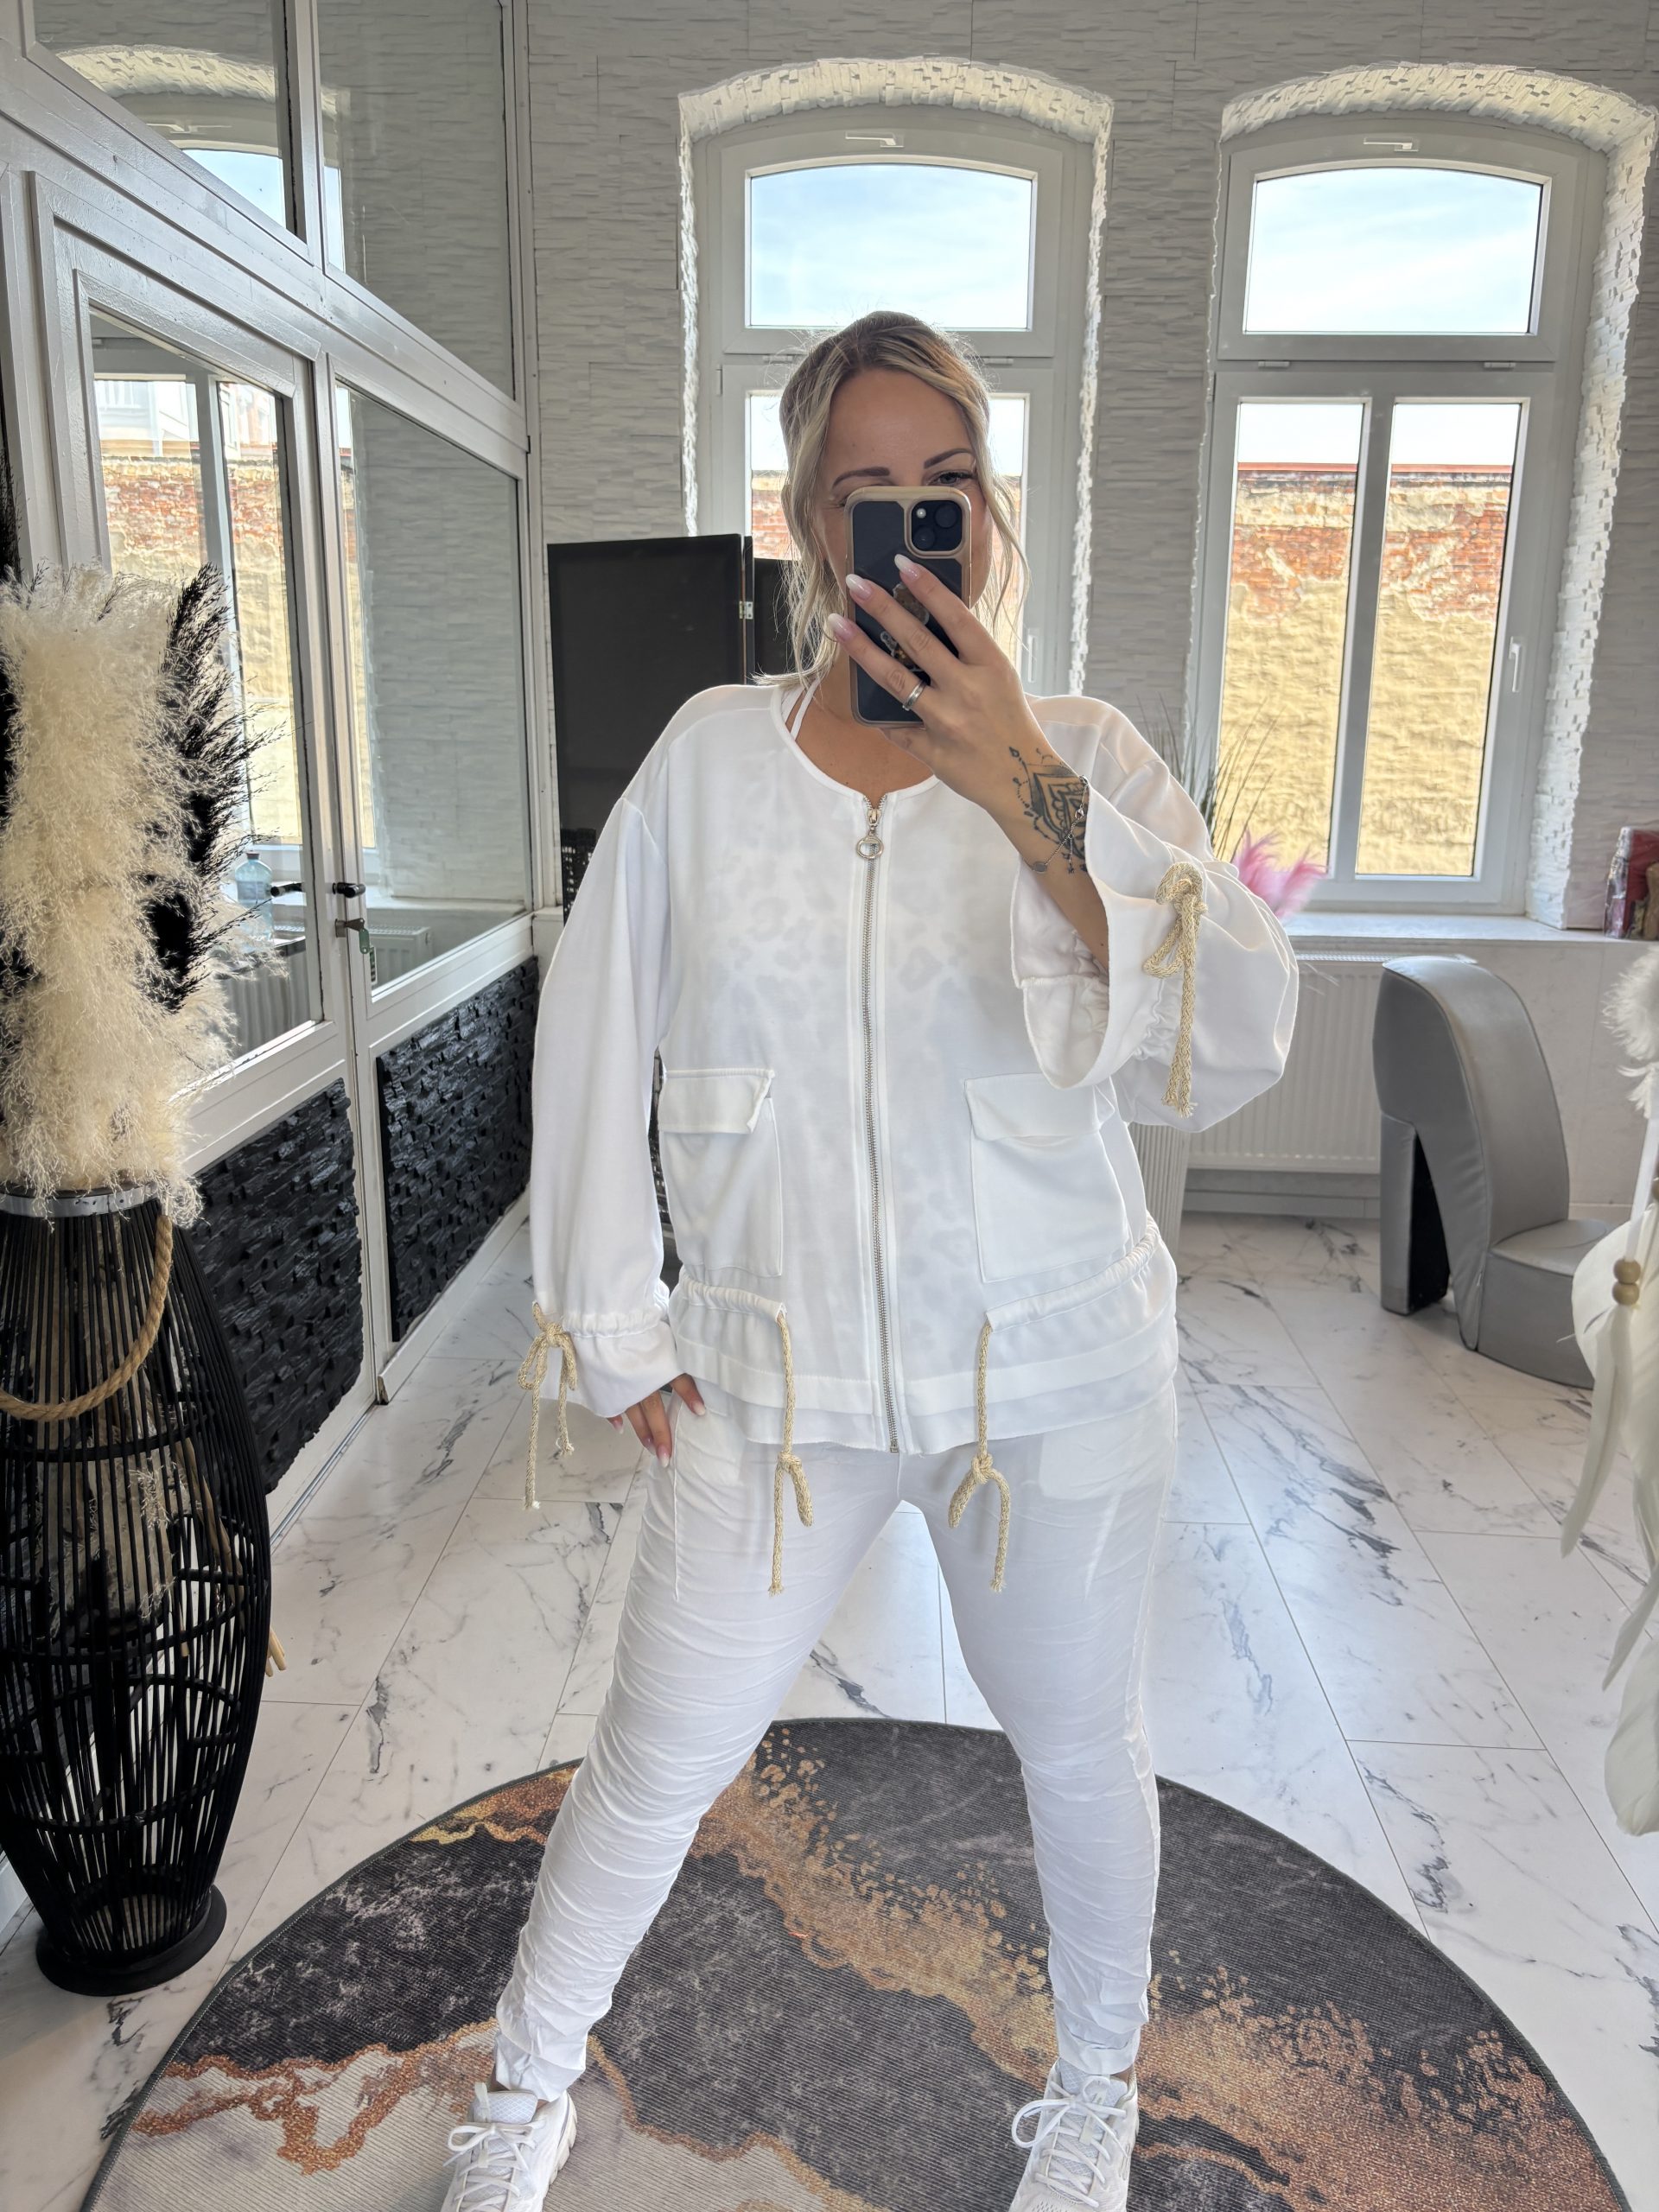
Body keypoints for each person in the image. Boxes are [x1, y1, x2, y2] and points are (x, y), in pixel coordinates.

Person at [438, 308, 1298, 2212]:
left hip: (1050, 1383)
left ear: (990, 514)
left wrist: (1025, 783)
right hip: (771, 1385)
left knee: (1078, 1749)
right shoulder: (707, 763)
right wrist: (612, 1320)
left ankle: (1095, 2093)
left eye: (949, 484)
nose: (915, 520)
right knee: (655, 1756)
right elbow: (597, 1017)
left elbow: (1235, 1027)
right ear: (812, 526)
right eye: (869, 491)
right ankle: (518, 2094)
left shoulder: (1085, 755)